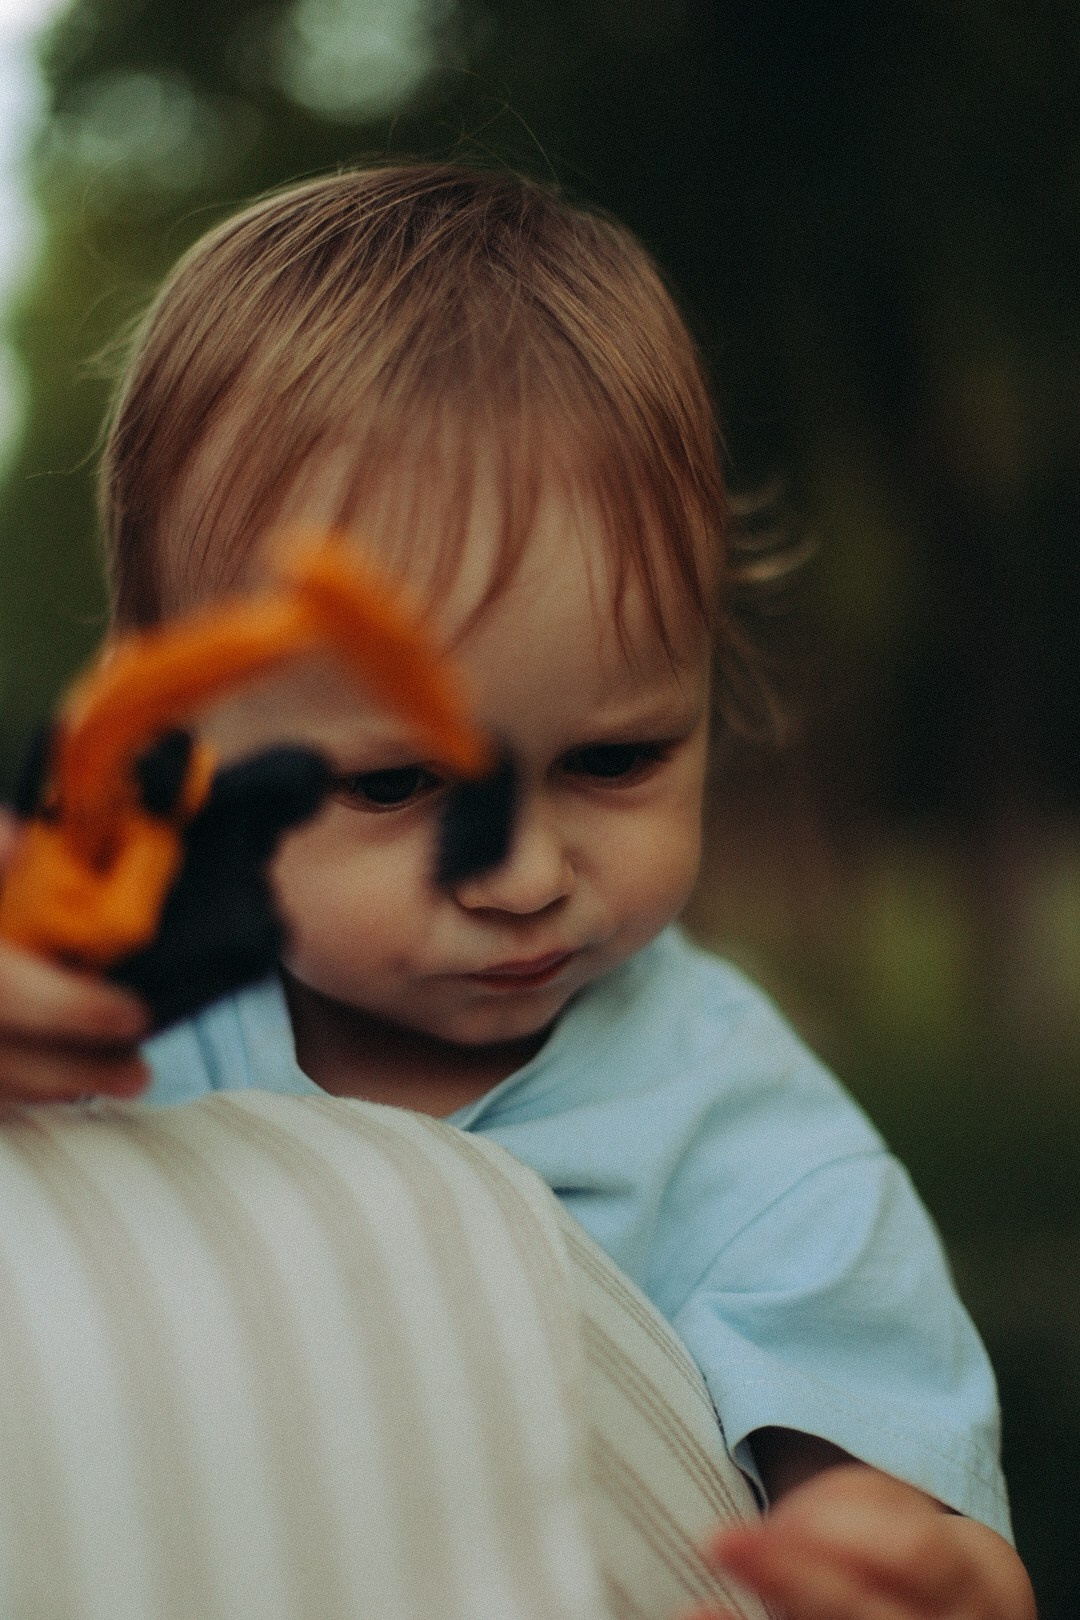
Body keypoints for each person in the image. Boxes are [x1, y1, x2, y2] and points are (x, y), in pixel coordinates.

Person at [0, 165, 1034, 1620]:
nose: (526, 877)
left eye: (615, 760)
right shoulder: (108, 1002)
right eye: (392, 785)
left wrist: (902, 1565)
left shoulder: (741, 1140)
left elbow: (907, 1512)